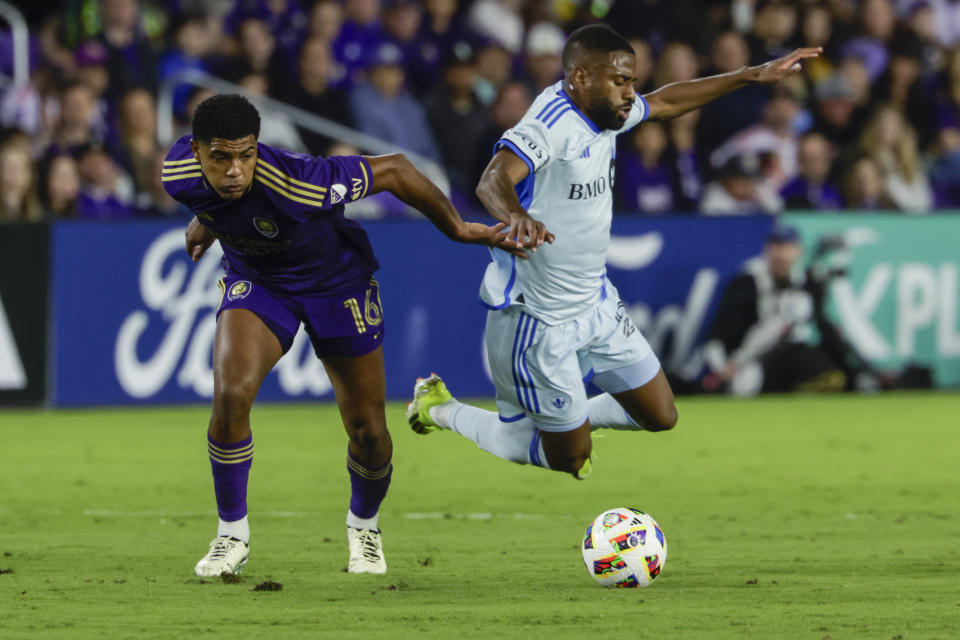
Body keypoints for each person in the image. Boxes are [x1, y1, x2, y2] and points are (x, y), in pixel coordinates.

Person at [406, 25, 820, 479]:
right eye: (619, 82)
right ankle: (441, 409)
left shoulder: (606, 113)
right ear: (580, 77)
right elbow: (492, 179)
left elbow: (664, 102)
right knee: (569, 457)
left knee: (661, 415)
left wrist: (748, 74)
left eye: (632, 83)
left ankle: (572, 420)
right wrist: (515, 215)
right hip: (540, 319)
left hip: (597, 303)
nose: (630, 93)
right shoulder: (551, 124)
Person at [162, 94, 526, 577]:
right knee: (230, 394)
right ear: (197, 153)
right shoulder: (176, 173)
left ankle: (364, 526)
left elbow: (395, 169)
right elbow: (216, 199)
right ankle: (232, 535)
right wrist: (206, 220)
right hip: (261, 283)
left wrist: (457, 227)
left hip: (337, 285)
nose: (235, 170)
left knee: (368, 430)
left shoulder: (299, 180)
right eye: (221, 158)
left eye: (246, 155)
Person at [702, 224, 846, 396]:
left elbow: (821, 324)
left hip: (791, 355)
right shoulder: (747, 282)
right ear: (767, 250)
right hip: (749, 361)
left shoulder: (807, 282)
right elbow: (719, 334)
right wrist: (721, 367)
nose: (782, 255)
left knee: (806, 353)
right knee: (745, 385)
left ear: (798, 250)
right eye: (777, 247)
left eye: (787, 247)